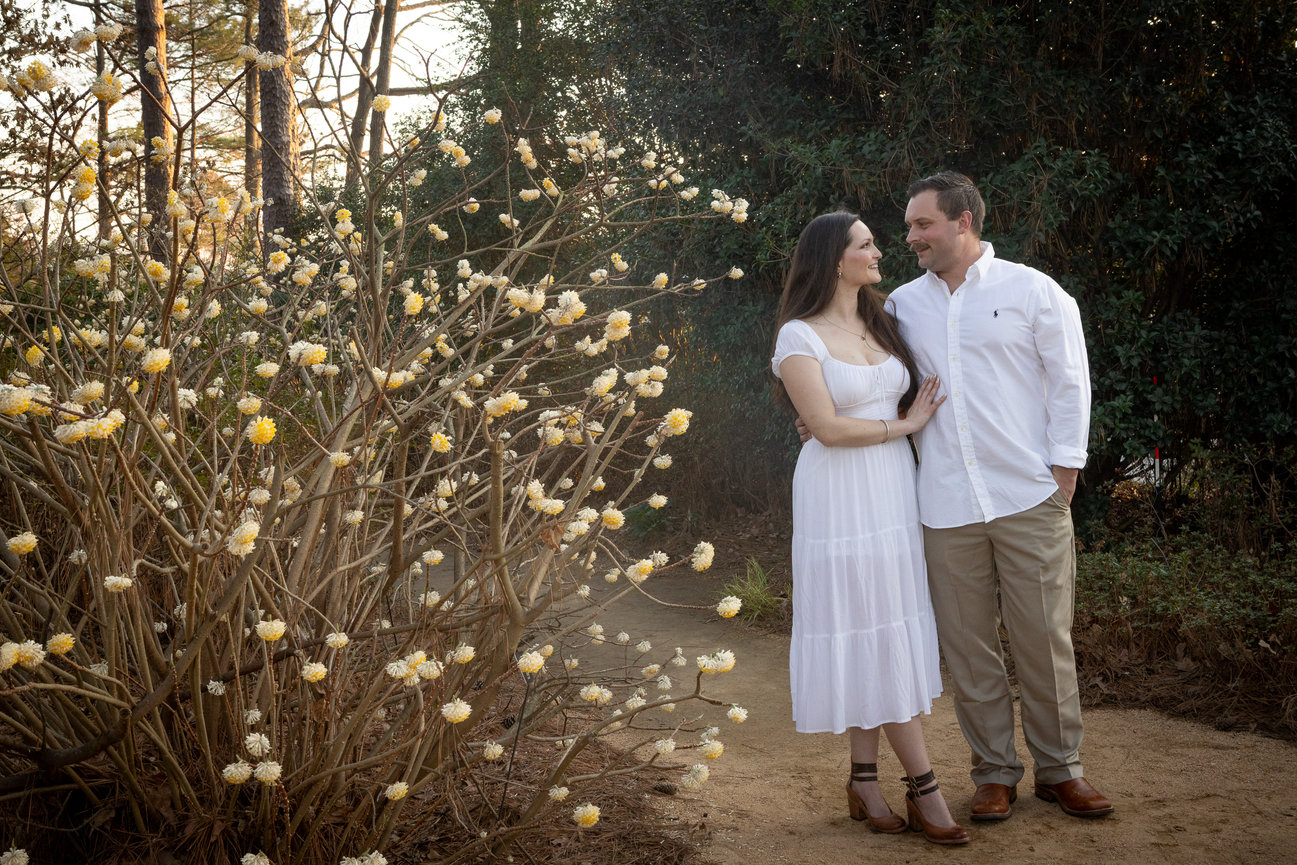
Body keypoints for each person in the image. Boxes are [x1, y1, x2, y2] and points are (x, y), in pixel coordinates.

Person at [887, 171, 1113, 821]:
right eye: (907, 227)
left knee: (1043, 637)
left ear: (963, 222)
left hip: (1025, 494)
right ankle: (992, 772)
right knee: (968, 645)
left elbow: (1070, 381)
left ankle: (1060, 769)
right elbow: (874, 378)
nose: (911, 237)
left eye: (921, 224)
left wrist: (1064, 469)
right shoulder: (901, 306)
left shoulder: (1033, 291)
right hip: (944, 502)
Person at [771, 211, 969, 846]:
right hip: (838, 494)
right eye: (865, 244)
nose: (879, 250)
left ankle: (863, 777)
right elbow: (825, 428)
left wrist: (902, 430)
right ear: (834, 259)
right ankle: (926, 786)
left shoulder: (886, 318)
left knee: (883, 622)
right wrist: (904, 427)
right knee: (867, 618)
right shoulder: (798, 336)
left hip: (890, 488)